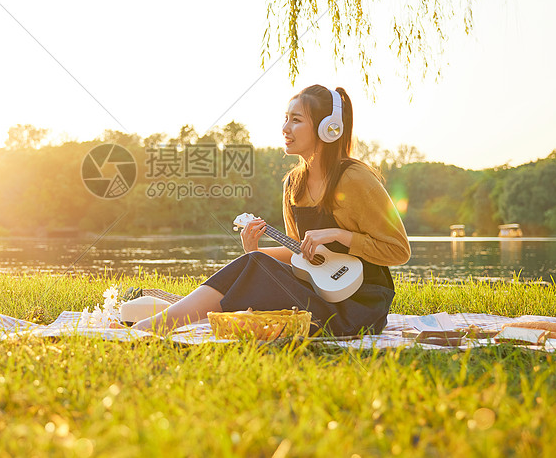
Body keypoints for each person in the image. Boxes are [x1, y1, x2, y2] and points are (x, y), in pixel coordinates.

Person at [132, 84, 410, 336]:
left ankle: (157, 325)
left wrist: (338, 234)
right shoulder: (294, 184)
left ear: (328, 128)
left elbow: (398, 250)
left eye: (296, 120)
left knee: (252, 270)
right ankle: (162, 321)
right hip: (317, 296)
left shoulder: (354, 179)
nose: (285, 128)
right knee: (253, 263)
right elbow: (301, 258)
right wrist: (255, 251)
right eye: (286, 118)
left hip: (359, 306)